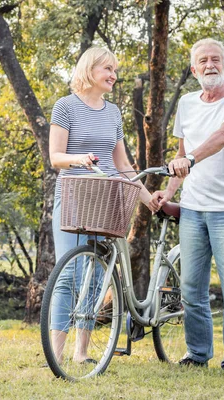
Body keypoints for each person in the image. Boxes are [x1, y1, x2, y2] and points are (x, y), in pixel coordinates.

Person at [150, 38, 224, 376]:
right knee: (192, 291)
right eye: (202, 61)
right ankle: (197, 353)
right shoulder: (186, 103)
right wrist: (168, 192)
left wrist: (191, 159)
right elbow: (181, 156)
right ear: (194, 70)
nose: (210, 65)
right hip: (193, 210)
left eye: (216, 60)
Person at [49, 47, 157, 364]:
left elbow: (122, 164)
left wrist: (149, 199)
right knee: (68, 274)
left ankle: (81, 353)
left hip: (106, 199)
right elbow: (55, 158)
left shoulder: (113, 113)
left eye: (115, 70)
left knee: (96, 275)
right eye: (107, 69)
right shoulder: (65, 106)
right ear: (89, 69)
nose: (113, 75)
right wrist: (78, 159)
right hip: (73, 196)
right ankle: (54, 354)